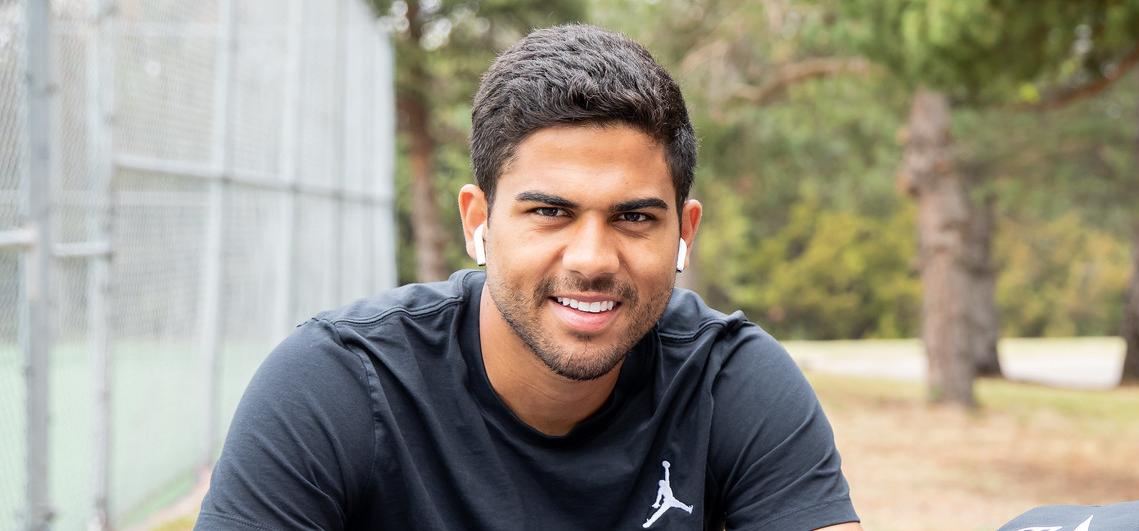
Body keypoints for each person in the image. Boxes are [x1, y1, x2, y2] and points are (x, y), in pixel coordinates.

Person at [196, 24, 860, 530]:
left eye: (634, 217)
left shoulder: (729, 379)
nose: (592, 259)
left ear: (684, 231)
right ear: (478, 221)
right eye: (549, 212)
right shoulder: (336, 383)